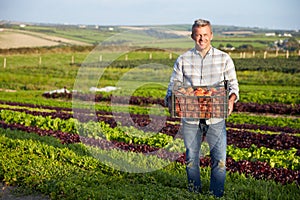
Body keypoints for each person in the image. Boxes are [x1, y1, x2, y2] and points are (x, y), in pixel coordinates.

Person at [165, 19, 239, 197]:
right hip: (190, 116)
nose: (202, 38)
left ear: (211, 35)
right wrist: (170, 100)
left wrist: (231, 100)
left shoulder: (224, 58)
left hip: (216, 116)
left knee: (219, 159)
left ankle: (217, 194)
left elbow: (234, 86)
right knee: (191, 159)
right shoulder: (183, 59)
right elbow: (174, 85)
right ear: (192, 36)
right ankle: (194, 192)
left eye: (205, 35)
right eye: (198, 35)